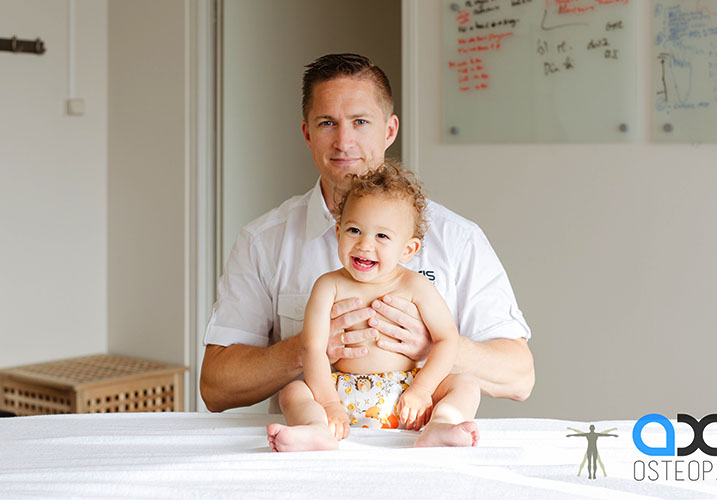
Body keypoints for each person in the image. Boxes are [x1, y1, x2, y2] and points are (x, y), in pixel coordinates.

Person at [200, 53, 534, 415]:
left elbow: (520, 376)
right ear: (307, 133)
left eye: (360, 122)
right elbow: (215, 387)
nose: (344, 141)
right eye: (327, 123)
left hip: (418, 442)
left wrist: (434, 345)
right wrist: (305, 349)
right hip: (316, 440)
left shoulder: (457, 238)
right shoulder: (263, 241)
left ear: (389, 130)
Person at [267, 161, 481, 451]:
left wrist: (423, 390)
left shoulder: (416, 286)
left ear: (408, 249)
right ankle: (316, 428)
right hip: (340, 392)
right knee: (293, 392)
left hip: (406, 395)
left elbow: (447, 339)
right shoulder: (328, 286)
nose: (365, 244)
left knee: (466, 385)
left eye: (381, 236)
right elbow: (312, 348)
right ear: (338, 231)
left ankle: (440, 424)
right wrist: (328, 403)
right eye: (354, 230)